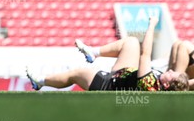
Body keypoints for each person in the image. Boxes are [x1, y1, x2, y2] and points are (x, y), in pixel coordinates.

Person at [27, 17, 188, 91]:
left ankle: (40, 82)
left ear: (166, 85)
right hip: (125, 74)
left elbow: (145, 54)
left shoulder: (150, 84)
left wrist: (152, 24)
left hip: (110, 85)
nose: (171, 70)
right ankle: (93, 52)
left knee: (76, 73)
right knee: (131, 42)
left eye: (172, 75)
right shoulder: (164, 84)